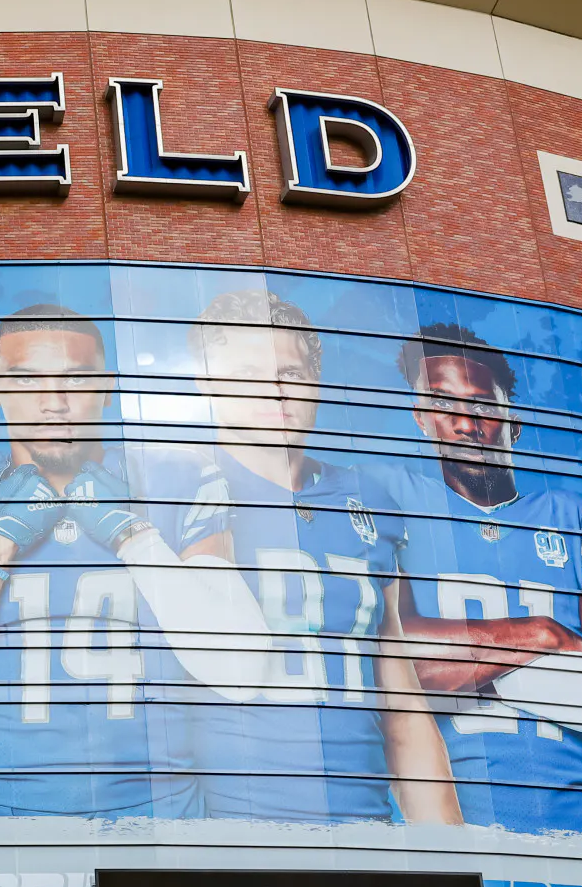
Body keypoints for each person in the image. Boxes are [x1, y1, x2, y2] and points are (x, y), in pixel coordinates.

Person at [0, 303, 270, 816]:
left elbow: (240, 669)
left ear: (106, 386)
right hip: (4, 822)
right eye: (26, 380)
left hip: (163, 818)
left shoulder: (179, 474)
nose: (53, 403)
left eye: (75, 380)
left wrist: (134, 536)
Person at [147, 288, 459, 824]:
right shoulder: (171, 490)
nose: (275, 392)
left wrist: (453, 858)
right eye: (248, 375)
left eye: (290, 373)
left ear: (314, 383)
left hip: (364, 834)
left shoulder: (369, 501)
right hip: (231, 845)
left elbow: (401, 704)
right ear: (206, 385)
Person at [386, 325, 582, 834]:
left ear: (515, 421)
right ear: (421, 417)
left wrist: (473, 662)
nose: (465, 422)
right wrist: (541, 635)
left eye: (483, 405)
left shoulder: (575, 516)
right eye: (443, 403)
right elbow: (397, 662)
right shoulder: (392, 500)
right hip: (460, 830)